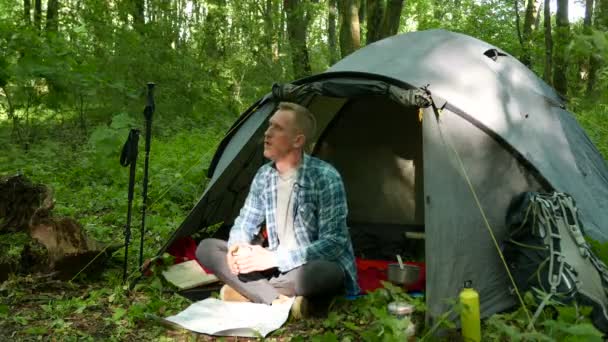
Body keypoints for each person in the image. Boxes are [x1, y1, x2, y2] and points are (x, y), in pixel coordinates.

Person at [196, 101, 359, 316]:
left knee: (327, 273)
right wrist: (238, 248)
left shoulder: (326, 177)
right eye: (269, 125)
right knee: (207, 248)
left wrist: (272, 259)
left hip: (305, 266)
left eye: (277, 128)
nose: (267, 133)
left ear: (297, 140)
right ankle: (279, 301)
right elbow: (246, 221)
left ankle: (250, 291)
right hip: (274, 267)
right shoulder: (264, 175)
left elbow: (334, 244)